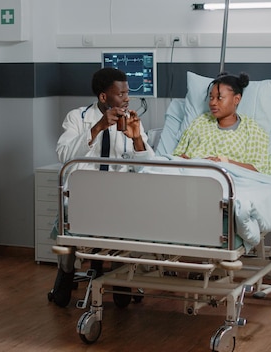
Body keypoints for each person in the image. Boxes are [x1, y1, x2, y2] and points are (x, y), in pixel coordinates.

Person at [50, 67, 155, 308]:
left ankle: (120, 278)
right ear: (103, 97)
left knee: (125, 221)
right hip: (85, 195)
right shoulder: (78, 118)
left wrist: (137, 138)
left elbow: (147, 168)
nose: (126, 99)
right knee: (69, 222)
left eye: (128, 93)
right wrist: (97, 128)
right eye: (121, 94)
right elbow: (63, 155)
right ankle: (65, 274)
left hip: (120, 196)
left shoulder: (130, 120)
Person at [173, 72, 271, 174]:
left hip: (232, 181)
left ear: (236, 99)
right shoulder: (200, 123)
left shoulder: (252, 131)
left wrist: (224, 162)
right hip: (194, 176)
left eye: (219, 98)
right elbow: (178, 156)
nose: (212, 103)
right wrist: (184, 160)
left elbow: (260, 169)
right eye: (211, 98)